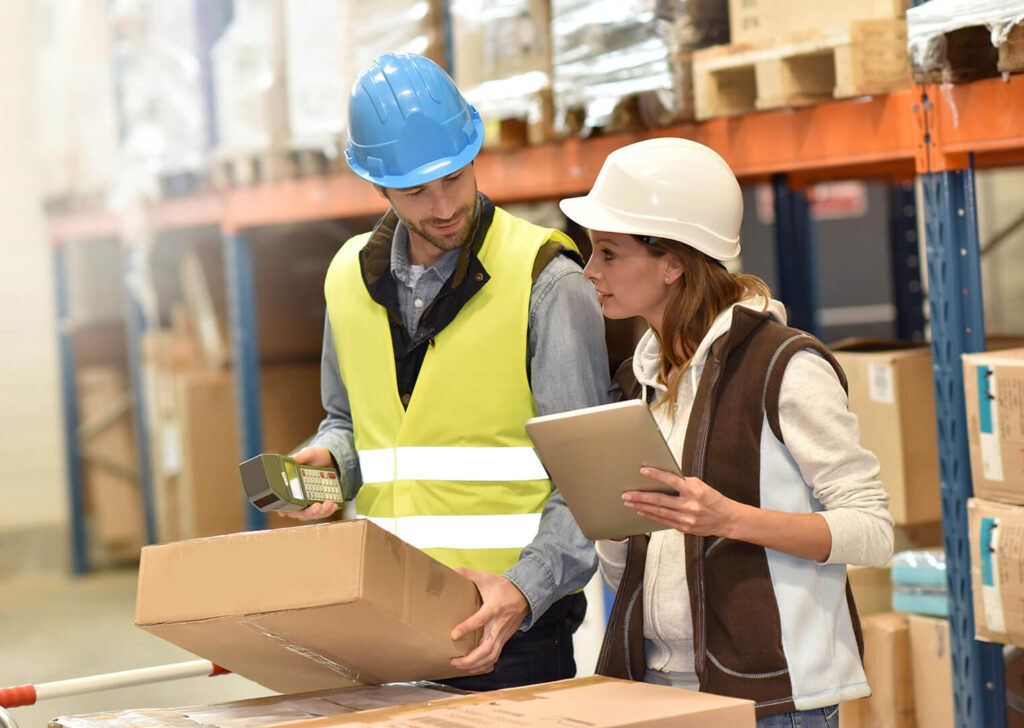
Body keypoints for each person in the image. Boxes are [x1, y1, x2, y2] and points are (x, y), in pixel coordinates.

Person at [280, 53, 610, 690]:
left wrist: (523, 589)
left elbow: (588, 483)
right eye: (416, 192)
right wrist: (332, 460)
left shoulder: (548, 281)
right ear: (378, 186)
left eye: (455, 178)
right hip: (381, 621)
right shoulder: (346, 277)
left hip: (508, 636)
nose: (444, 206)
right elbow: (347, 421)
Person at [559, 137, 894, 726]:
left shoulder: (785, 367)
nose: (590, 271)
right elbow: (633, 555)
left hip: (773, 701)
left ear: (673, 262)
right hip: (655, 688)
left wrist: (729, 519)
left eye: (609, 253)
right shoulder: (637, 380)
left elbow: (872, 531)